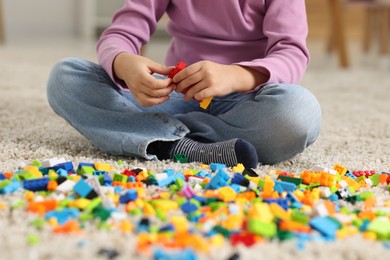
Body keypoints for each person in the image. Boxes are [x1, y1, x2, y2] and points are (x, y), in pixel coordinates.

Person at [47, 1, 321, 169]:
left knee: (300, 112)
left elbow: (291, 53)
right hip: (175, 94)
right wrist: (124, 63)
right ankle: (189, 145)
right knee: (65, 77)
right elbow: (121, 33)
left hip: (248, 100)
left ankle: (161, 138)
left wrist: (235, 75)